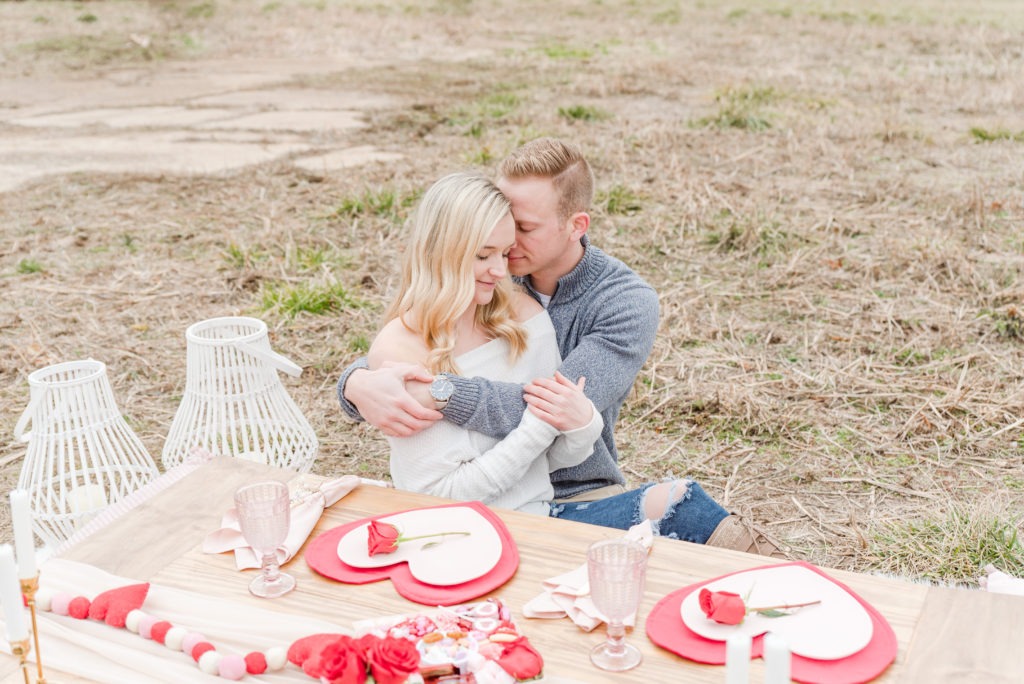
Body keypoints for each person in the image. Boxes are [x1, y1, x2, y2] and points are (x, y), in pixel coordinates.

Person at [339, 139, 782, 556]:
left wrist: (442, 391)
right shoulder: (495, 281)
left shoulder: (622, 303)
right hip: (492, 507)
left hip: (576, 485)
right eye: (496, 232)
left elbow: (550, 406)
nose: (506, 252)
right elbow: (419, 339)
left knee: (683, 512)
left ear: (576, 226)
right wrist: (358, 383)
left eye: (523, 229)